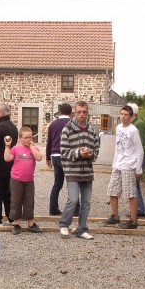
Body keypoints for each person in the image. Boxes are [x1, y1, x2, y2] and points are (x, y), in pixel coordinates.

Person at [58, 100, 100, 239]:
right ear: (74, 113)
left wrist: (90, 154)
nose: (81, 114)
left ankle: (82, 229)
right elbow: (63, 151)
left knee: (86, 202)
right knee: (73, 199)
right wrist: (78, 153)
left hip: (87, 171)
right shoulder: (67, 129)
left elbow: (96, 152)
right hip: (72, 170)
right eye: (79, 112)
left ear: (87, 113)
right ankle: (64, 224)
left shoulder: (92, 131)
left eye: (84, 112)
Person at [105, 104, 144, 229]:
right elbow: (117, 147)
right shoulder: (119, 128)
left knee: (130, 193)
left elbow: (139, 150)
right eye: (121, 114)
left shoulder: (133, 130)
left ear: (131, 116)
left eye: (126, 115)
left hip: (129, 164)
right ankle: (115, 215)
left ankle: (133, 221)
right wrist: (114, 162)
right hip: (119, 164)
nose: (123, 117)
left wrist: (138, 168)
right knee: (112, 190)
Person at [4, 126, 43, 235]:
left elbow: (39, 158)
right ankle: (17, 224)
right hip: (16, 179)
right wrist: (7, 146)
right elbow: (7, 158)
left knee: (29, 201)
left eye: (30, 137)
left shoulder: (34, 149)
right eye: (26, 137)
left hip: (29, 180)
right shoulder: (16, 149)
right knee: (16, 201)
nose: (28, 139)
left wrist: (31, 147)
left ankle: (31, 224)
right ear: (20, 138)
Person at [45, 103, 79, 216]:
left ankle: (53, 208)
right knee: (72, 182)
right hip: (68, 155)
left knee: (57, 183)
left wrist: (47, 157)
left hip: (55, 155)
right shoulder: (72, 124)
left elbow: (49, 141)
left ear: (59, 111)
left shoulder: (52, 124)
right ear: (71, 113)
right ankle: (75, 209)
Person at [0, 104, 18, 225]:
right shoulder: (13, 127)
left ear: (1, 113)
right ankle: (11, 217)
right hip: (10, 162)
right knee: (8, 191)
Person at [128, 102, 145, 218]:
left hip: (139, 157)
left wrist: (138, 163)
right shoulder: (132, 124)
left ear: (132, 114)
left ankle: (140, 209)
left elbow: (142, 145)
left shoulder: (139, 124)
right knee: (135, 184)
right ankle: (139, 208)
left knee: (135, 184)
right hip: (133, 157)